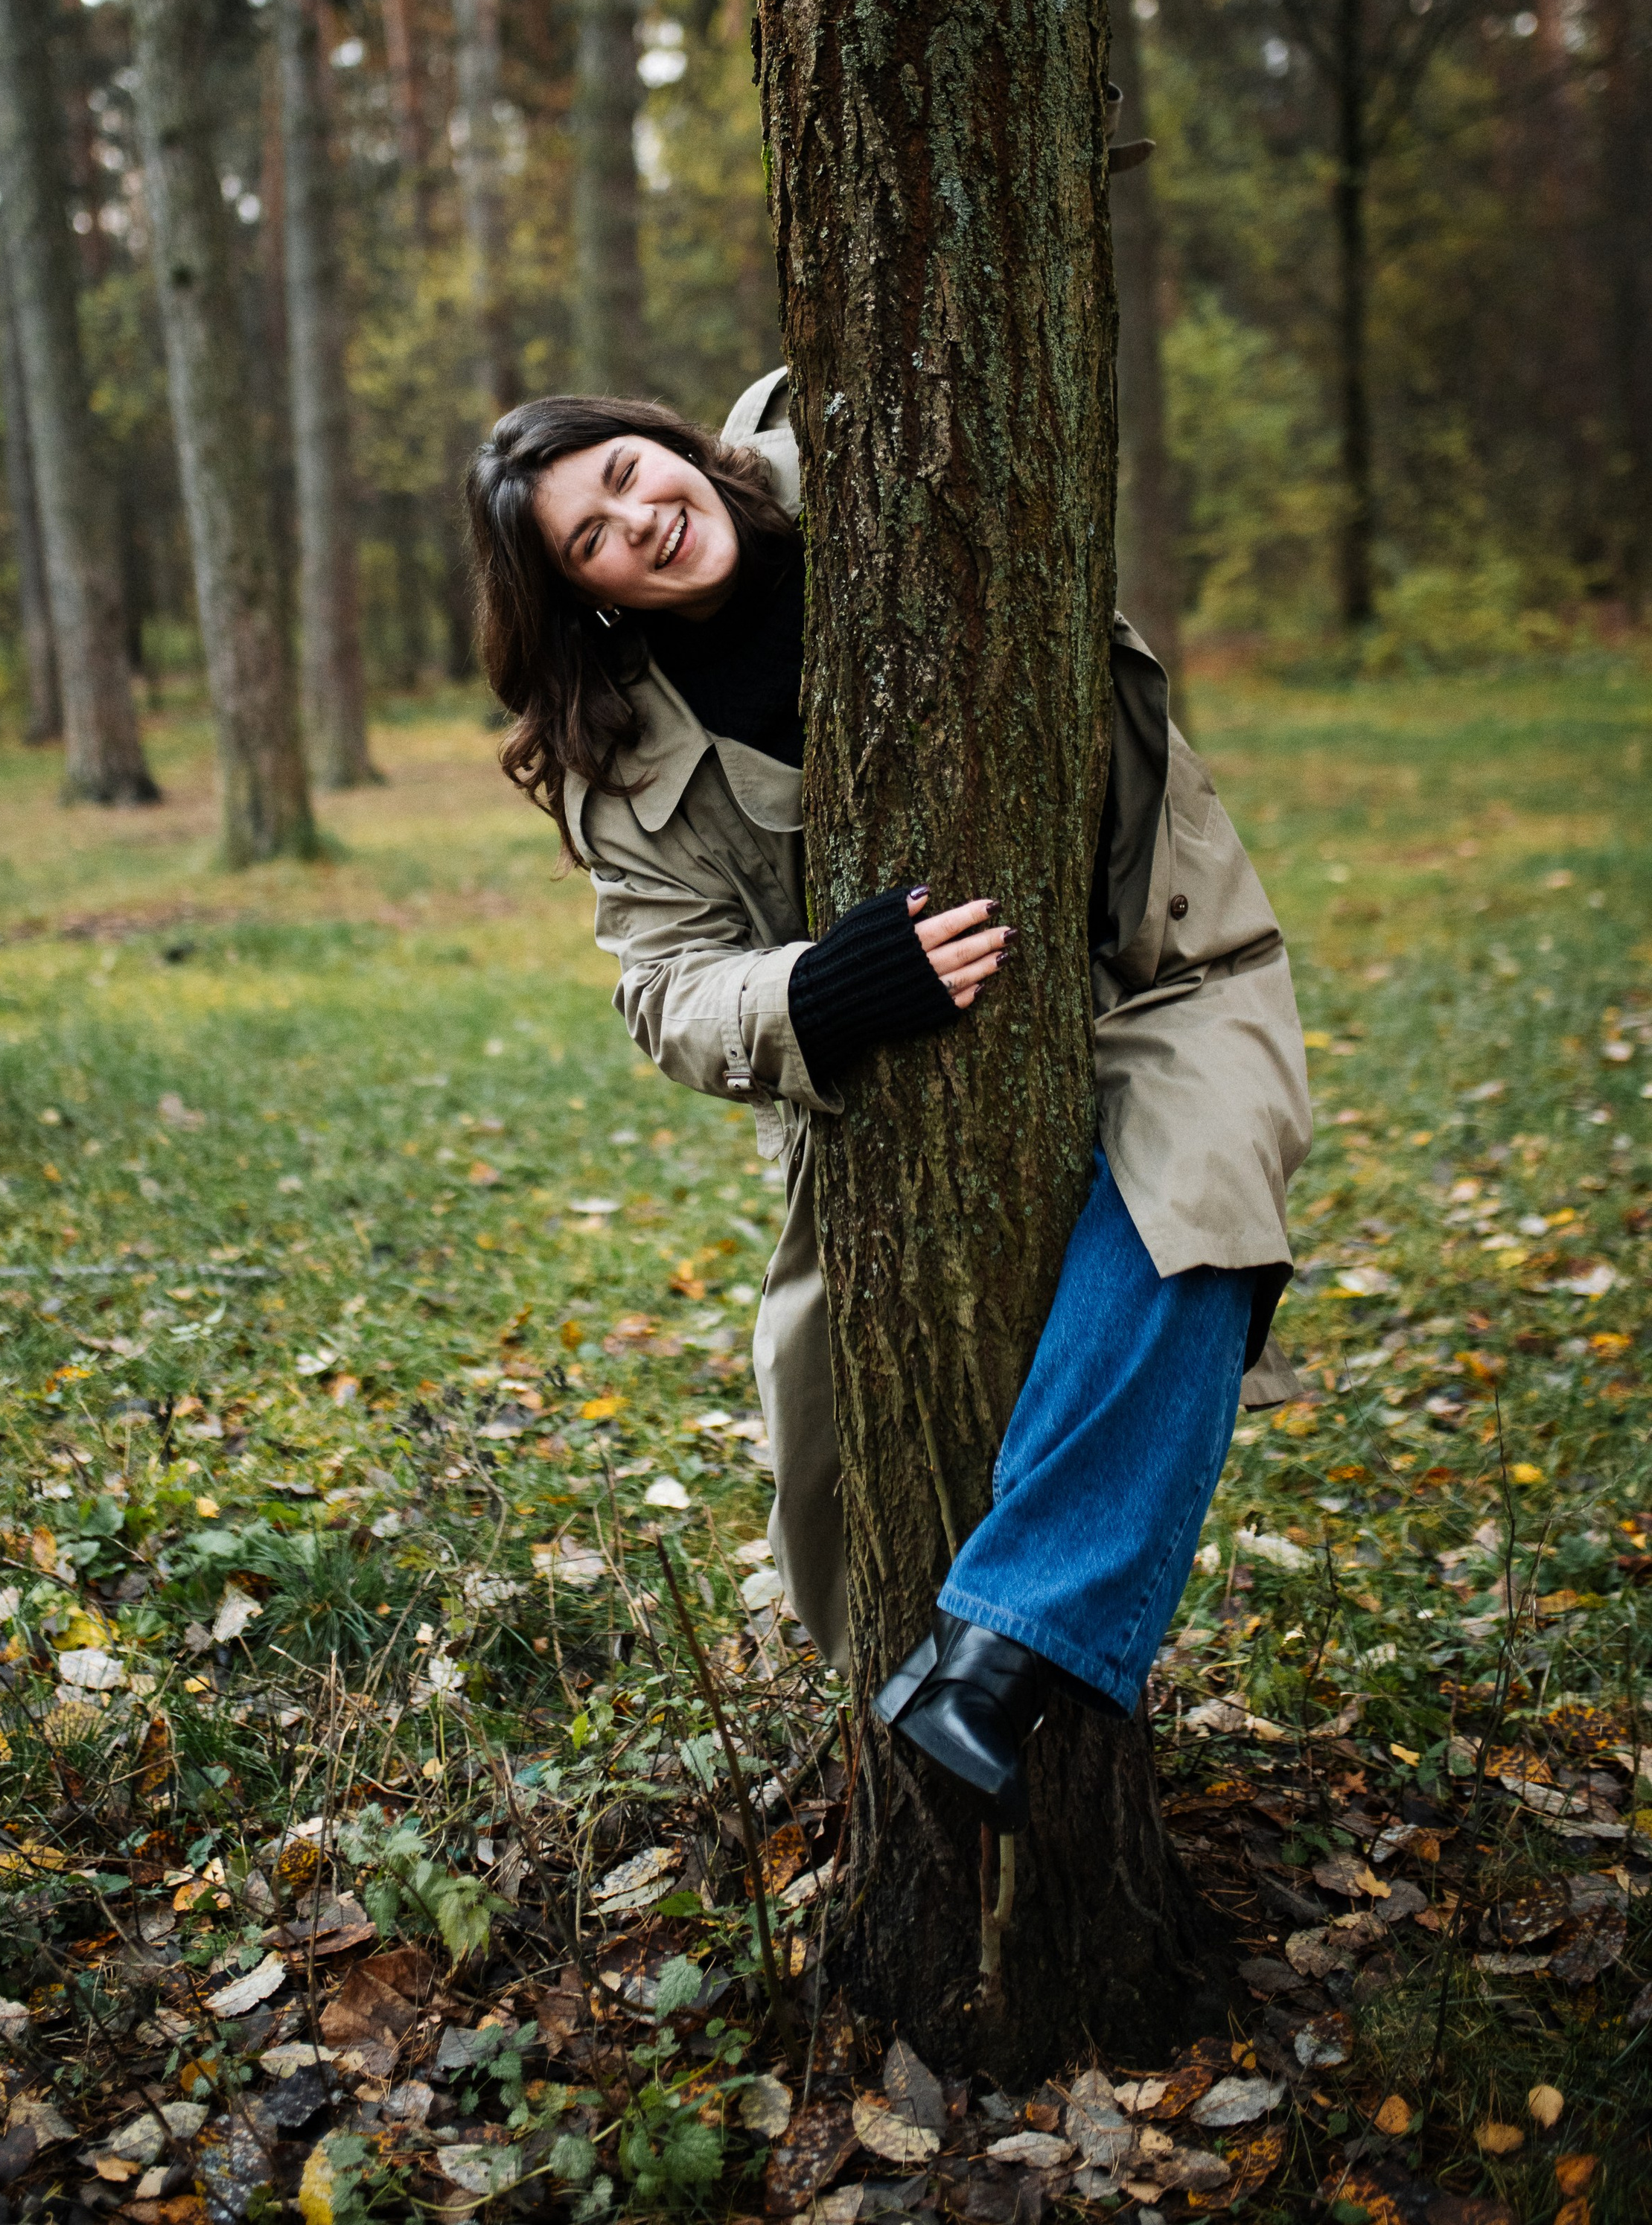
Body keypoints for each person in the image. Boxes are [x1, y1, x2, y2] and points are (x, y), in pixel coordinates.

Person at [466, 368, 1311, 1827]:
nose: (637, 521)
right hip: (884, 1094)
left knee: (1196, 1214)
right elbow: (663, 991)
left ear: (671, 443)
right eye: (587, 537)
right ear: (580, 593)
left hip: (1156, 963)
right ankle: (906, 1760)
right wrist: (816, 988)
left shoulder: (880, 457)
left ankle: (996, 1649)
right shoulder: (621, 753)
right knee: (827, 1453)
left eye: (624, 472)